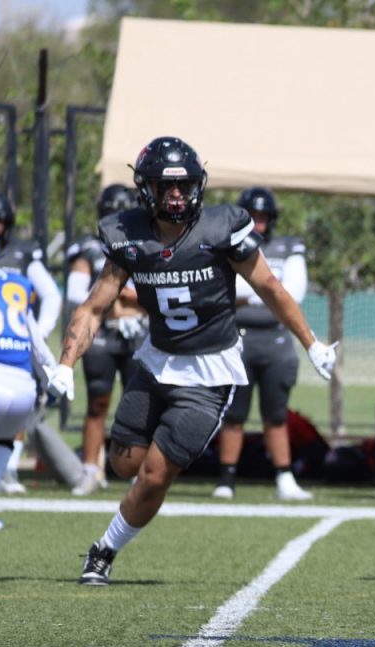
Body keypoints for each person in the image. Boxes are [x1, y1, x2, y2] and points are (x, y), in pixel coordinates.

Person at [44, 136, 336, 585]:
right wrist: (66, 363)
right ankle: (135, 491)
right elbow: (94, 307)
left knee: (155, 474)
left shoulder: (221, 229)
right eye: (168, 186)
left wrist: (311, 343)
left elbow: (271, 289)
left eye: (185, 186)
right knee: (124, 463)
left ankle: (103, 550)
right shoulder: (129, 235)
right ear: (148, 189)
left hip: (209, 372)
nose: (177, 195)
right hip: (156, 361)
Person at [213, 186, 312, 501]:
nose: (258, 223)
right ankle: (226, 479)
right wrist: (268, 291)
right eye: (252, 216)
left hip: (276, 339)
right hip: (236, 339)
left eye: (263, 217)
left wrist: (250, 292)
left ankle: (284, 477)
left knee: (276, 413)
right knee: (233, 413)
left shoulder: (288, 247)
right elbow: (223, 291)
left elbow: (294, 292)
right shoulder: (227, 247)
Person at [66, 184, 147, 496]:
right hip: (103, 333)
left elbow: (156, 292)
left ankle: (137, 472)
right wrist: (117, 293)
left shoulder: (146, 242)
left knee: (138, 406)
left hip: (138, 331)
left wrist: (126, 294)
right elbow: (77, 293)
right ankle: (91, 469)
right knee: (97, 402)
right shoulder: (89, 246)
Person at [0, 191, 62, 495]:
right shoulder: (17, 281)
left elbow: (50, 296)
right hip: (20, 373)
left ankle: (8, 472)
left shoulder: (22, 254)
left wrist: (42, 329)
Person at [0, 235, 42, 530]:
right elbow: (36, 340)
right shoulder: (19, 283)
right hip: (24, 386)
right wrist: (55, 374)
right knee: (1, 439)